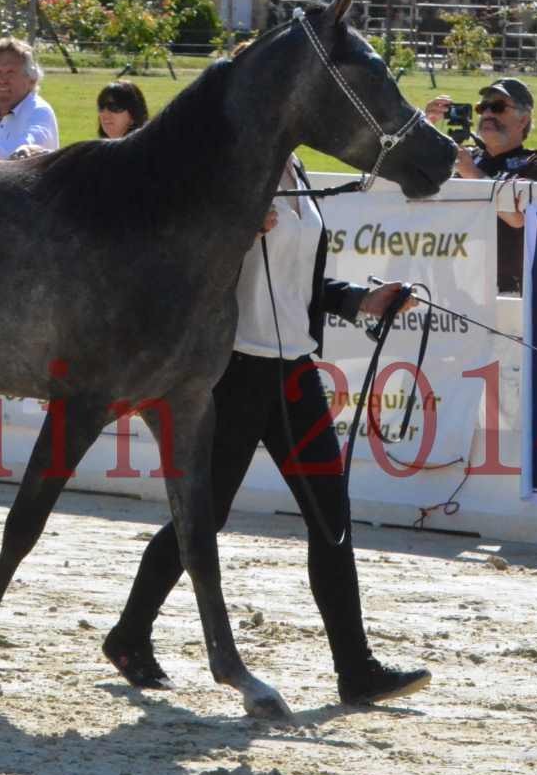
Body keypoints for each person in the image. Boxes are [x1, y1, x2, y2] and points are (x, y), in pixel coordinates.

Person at [102, 151, 433, 706]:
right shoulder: (225, 168)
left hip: (295, 373)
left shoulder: (295, 171)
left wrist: (361, 300)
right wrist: (231, 229)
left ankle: (356, 669)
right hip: (234, 371)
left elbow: (299, 285)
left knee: (331, 518)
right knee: (206, 516)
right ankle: (130, 634)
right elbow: (178, 251)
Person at [424, 78, 537, 294]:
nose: (487, 114)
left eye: (497, 107)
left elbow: (519, 219)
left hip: (505, 291)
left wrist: (472, 175)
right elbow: (408, 177)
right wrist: (425, 126)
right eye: (482, 107)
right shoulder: (459, 156)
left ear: (523, 120)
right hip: (448, 286)